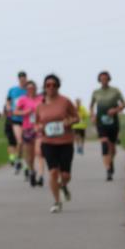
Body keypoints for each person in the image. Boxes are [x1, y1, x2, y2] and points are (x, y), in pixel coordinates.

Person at [34, 75, 79, 213]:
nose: (51, 87)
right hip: (48, 142)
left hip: (65, 141)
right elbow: (36, 123)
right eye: (48, 85)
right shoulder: (40, 106)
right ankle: (57, 202)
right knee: (53, 172)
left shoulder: (65, 101)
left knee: (66, 175)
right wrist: (39, 128)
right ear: (44, 87)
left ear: (58, 86)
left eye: (54, 85)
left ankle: (63, 186)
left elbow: (77, 117)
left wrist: (69, 122)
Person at [90, 71, 125, 181]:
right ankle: (108, 170)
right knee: (105, 144)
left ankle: (111, 162)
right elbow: (91, 106)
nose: (104, 80)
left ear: (109, 79)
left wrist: (116, 109)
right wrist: (92, 115)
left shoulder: (115, 91)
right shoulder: (96, 92)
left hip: (113, 121)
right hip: (100, 120)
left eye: (106, 78)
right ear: (99, 80)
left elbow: (124, 104)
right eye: (101, 78)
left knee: (112, 148)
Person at [14, 80, 45, 187]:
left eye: (33, 88)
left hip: (39, 128)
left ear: (36, 88)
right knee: (29, 156)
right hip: (27, 128)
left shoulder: (41, 99)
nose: (31, 90)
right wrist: (24, 112)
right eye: (29, 88)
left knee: (39, 152)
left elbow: (46, 110)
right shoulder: (22, 99)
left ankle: (41, 176)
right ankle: (32, 171)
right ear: (26, 90)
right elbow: (15, 111)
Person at [3, 71, 29, 174]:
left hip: (27, 119)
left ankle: (20, 160)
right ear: (19, 79)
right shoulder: (13, 90)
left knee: (25, 144)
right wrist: (9, 107)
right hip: (15, 119)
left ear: (26, 79)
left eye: (24, 78)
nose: (23, 80)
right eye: (21, 78)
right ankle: (17, 160)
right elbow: (8, 101)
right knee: (19, 141)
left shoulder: (28, 90)